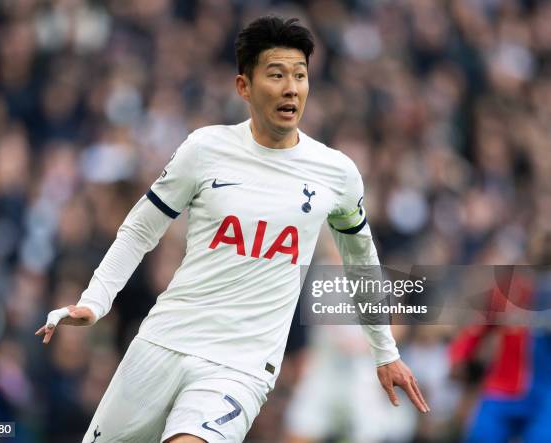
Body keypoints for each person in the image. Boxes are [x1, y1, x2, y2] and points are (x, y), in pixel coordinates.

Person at [35, 16, 429, 443]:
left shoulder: (337, 173)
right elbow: (139, 230)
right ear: (243, 86)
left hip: (240, 366)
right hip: (163, 341)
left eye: (300, 76)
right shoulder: (204, 149)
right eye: (276, 75)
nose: (291, 88)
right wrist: (95, 300)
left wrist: (384, 351)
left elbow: (361, 263)